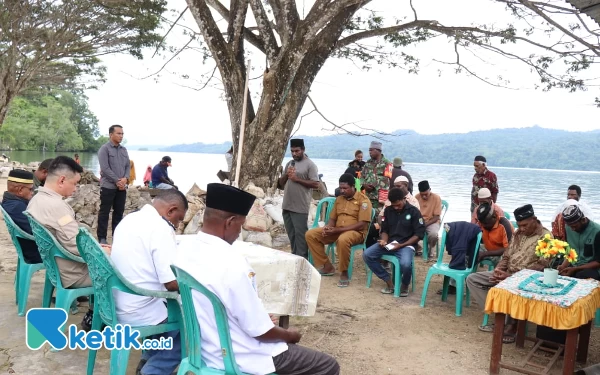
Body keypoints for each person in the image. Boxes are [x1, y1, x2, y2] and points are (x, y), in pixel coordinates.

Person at [174, 183, 340, 375]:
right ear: (230, 222)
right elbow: (260, 332)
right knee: (328, 365)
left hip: (204, 349)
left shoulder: (184, 250)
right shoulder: (232, 264)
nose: (239, 232)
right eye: (240, 225)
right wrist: (289, 335)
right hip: (241, 354)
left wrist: (259, 318)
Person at [27, 156, 109, 331]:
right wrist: (104, 251)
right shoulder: (56, 206)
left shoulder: (37, 199)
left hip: (56, 266)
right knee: (120, 268)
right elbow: (77, 246)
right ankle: (101, 316)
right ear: (62, 180)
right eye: (75, 183)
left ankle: (97, 313)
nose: (76, 188)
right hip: (72, 272)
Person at [111, 189, 188, 375]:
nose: (176, 225)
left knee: (166, 305)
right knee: (190, 326)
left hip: (115, 303)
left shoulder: (130, 219)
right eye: (178, 220)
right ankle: (153, 370)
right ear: (171, 210)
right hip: (138, 309)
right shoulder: (161, 228)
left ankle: (148, 359)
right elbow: (171, 283)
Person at [466, 204, 551, 342]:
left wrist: (512, 277)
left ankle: (512, 325)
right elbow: (506, 256)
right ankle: (501, 315)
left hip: (526, 279)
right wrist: (499, 270)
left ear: (534, 219)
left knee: (511, 287)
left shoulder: (546, 237)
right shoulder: (518, 233)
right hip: (507, 273)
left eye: (524, 225)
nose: (522, 229)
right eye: (520, 225)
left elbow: (541, 266)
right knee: (472, 279)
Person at [305, 173, 372, 287]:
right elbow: (332, 218)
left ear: (352, 187)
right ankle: (327, 266)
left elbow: (362, 224)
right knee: (311, 234)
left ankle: (344, 272)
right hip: (337, 230)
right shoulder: (339, 199)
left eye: (345, 188)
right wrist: (328, 227)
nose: (342, 191)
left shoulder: (364, 200)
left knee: (343, 240)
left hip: (356, 233)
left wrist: (336, 230)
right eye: (340, 188)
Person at [363, 187, 424, 297]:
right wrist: (384, 240)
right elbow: (385, 229)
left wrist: (401, 245)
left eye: (398, 204)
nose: (396, 207)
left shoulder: (414, 212)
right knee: (367, 254)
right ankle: (388, 281)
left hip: (406, 245)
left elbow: (419, 234)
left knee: (405, 264)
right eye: (393, 205)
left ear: (404, 199)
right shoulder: (388, 210)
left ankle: (405, 284)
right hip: (390, 244)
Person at [277, 139, 320, 259]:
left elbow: (316, 184)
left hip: (300, 206)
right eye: (292, 151)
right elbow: (280, 184)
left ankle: (303, 260)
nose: (294, 154)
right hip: (287, 205)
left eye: (297, 151)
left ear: (303, 150)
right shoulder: (289, 163)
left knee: (300, 235)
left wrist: (297, 179)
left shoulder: (310, 165)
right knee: (291, 235)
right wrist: (286, 174)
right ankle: (294, 258)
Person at [97, 124, 130, 245]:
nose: (121, 136)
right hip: (108, 186)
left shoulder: (123, 150)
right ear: (111, 134)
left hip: (121, 188)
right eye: (118, 133)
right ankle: (102, 237)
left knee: (119, 212)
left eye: (122, 134)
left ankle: (117, 237)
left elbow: (128, 166)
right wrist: (117, 180)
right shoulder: (104, 149)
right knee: (104, 212)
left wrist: (125, 178)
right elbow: (105, 168)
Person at [1, 170, 41, 264]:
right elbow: (38, 231)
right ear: (20, 190)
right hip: (35, 253)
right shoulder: (17, 207)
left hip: (29, 250)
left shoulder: (10, 202)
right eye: (31, 189)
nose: (32, 193)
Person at [557, 205, 600, 280]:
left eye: (575, 226)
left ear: (583, 220)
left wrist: (575, 269)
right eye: (570, 226)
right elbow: (570, 251)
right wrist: (563, 266)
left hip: (593, 269)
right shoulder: (568, 228)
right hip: (574, 267)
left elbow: (598, 262)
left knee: (581, 276)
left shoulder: (597, 231)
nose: (572, 229)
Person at [476, 202, 514, 267]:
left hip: (501, 254)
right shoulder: (482, 223)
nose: (483, 226)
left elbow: (508, 249)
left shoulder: (504, 225)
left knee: (504, 261)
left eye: (485, 223)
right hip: (487, 249)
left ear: (494, 217)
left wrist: (485, 254)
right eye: (481, 223)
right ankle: (466, 273)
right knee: (471, 251)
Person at [360, 141, 392, 210]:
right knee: (365, 214)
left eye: (371, 150)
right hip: (367, 196)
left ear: (378, 150)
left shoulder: (387, 164)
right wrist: (364, 185)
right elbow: (362, 176)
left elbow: (389, 181)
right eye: (369, 150)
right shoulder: (368, 163)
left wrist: (374, 185)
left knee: (379, 217)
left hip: (380, 199)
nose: (369, 152)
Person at [415, 181, 442, 261]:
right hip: (419, 221)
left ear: (430, 190)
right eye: (422, 194)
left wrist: (425, 224)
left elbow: (436, 217)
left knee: (433, 234)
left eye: (426, 194)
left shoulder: (436, 198)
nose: (423, 197)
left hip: (432, 221)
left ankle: (431, 249)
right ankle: (418, 248)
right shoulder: (416, 197)